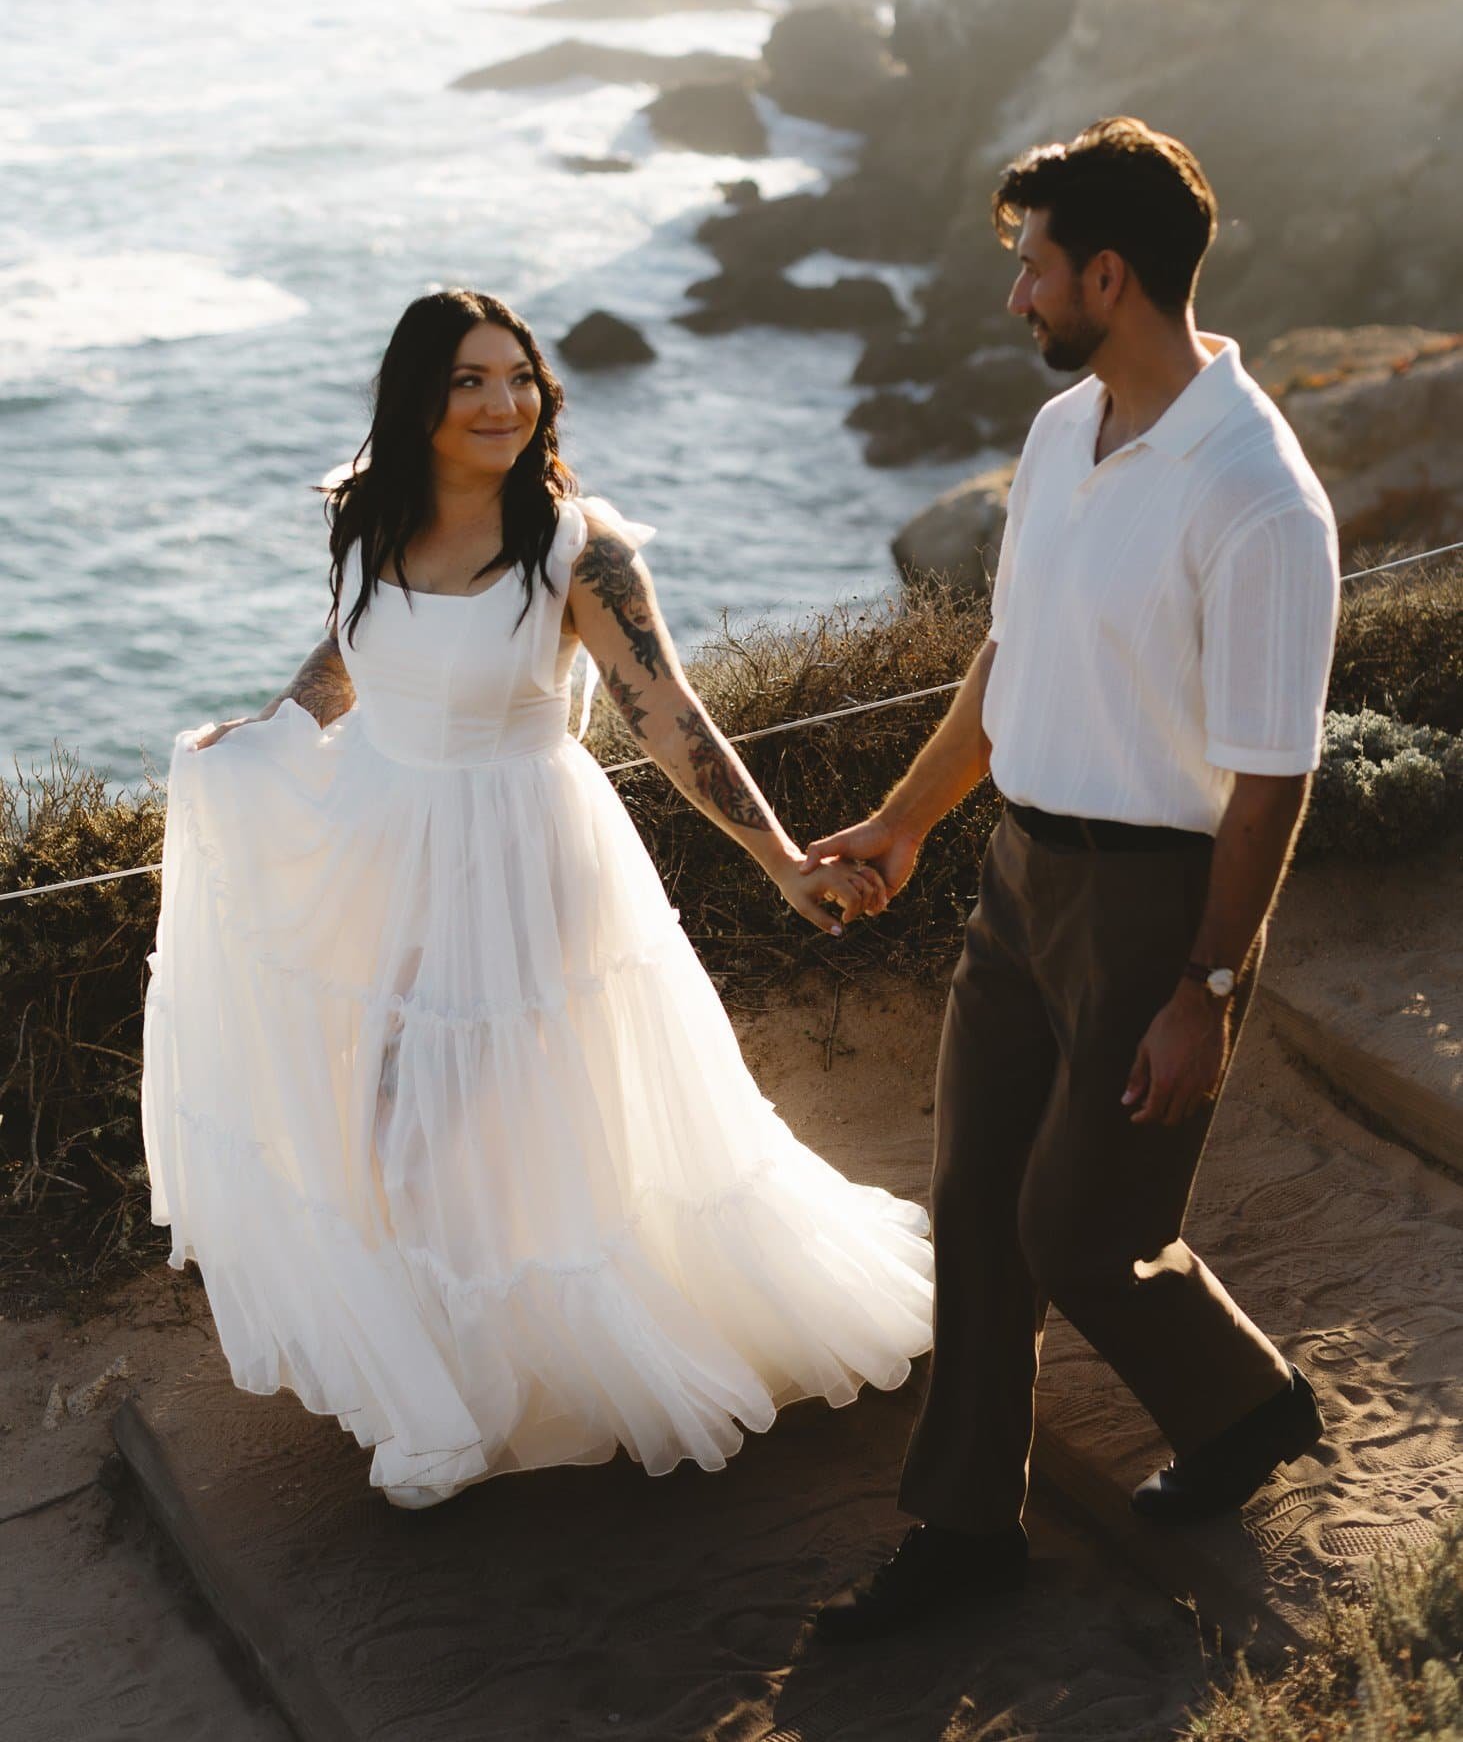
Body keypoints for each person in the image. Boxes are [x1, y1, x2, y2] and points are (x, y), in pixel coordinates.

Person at [141, 288, 933, 1509]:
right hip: (382, 839)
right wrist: (270, 730)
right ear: (419, 398)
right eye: (470, 379)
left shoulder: (578, 548)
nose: (503, 400)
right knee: (391, 1123)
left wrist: (776, 856)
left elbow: (664, 712)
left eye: (518, 376)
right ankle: (456, 1372)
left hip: (522, 857)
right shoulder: (365, 513)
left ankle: (481, 1398)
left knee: (426, 1120)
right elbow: (354, 646)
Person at [806, 117, 1340, 1640]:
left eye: (1029, 269)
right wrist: (909, 826)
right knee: (974, 1206)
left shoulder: (1254, 497)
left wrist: (1207, 990)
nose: (1011, 298)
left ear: (1106, 275)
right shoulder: (1060, 433)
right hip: (1016, 872)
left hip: (1154, 907)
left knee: (1079, 1230)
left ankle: (1241, 1408)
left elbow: (1269, 782)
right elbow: (1003, 661)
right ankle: (966, 1526)